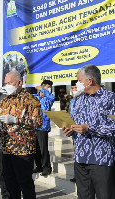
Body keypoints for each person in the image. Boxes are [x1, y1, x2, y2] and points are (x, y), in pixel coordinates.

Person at [62, 64, 115, 199]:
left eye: (79, 80)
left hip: (101, 159)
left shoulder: (110, 98)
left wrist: (90, 128)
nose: (77, 84)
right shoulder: (79, 101)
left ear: (89, 81)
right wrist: (70, 130)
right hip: (80, 158)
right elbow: (75, 124)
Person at [0, 71, 42, 199]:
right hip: (7, 148)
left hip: (23, 149)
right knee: (9, 182)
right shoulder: (5, 100)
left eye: (9, 83)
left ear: (19, 83)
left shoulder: (31, 99)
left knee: (25, 182)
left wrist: (16, 120)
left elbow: (38, 122)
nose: (7, 86)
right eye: (5, 83)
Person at [33, 80, 54, 176]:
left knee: (43, 148)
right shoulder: (35, 98)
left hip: (43, 127)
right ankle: (39, 166)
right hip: (33, 126)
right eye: (46, 86)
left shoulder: (48, 98)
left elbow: (52, 96)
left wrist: (43, 89)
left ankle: (47, 167)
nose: (48, 88)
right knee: (35, 148)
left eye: (49, 87)